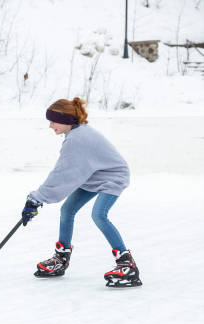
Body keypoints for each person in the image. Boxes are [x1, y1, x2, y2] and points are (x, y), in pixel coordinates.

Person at [21, 97, 142, 288]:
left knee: (99, 215)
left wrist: (36, 198)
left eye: (53, 121)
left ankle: (127, 264)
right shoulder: (76, 133)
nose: (50, 126)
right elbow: (68, 174)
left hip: (113, 176)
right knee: (67, 210)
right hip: (93, 175)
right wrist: (39, 198)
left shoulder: (77, 139)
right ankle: (61, 259)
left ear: (67, 120)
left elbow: (61, 174)